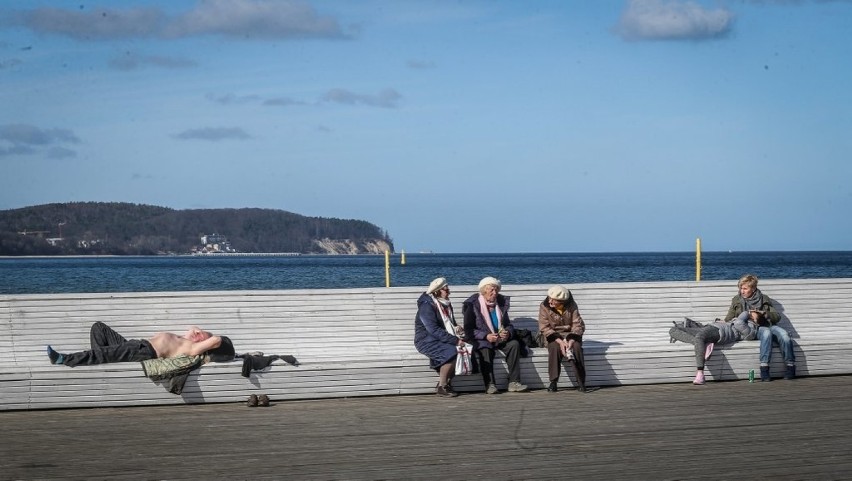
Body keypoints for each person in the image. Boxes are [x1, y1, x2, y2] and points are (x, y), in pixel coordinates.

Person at [47, 321, 223, 367]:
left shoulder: (191, 348)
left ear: (204, 343)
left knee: (104, 353)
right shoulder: (186, 340)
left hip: (145, 352)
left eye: (201, 335)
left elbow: (218, 340)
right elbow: (192, 328)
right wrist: (198, 330)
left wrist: (207, 337)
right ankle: (103, 359)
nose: (197, 333)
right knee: (98, 328)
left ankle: (64, 359)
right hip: (137, 345)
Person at [463, 276, 529, 394]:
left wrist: (508, 332)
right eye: (492, 290)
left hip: (499, 338)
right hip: (483, 339)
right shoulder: (472, 305)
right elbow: (468, 330)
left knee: (514, 344)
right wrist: (485, 336)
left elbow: (508, 325)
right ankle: (490, 384)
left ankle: (514, 382)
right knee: (485, 349)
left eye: (496, 290)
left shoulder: (500, 304)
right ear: (483, 291)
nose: (495, 293)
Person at [724, 274, 795, 381]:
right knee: (766, 333)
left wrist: (764, 314)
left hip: (767, 324)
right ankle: (764, 369)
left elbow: (776, 317)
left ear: (753, 289)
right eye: (740, 288)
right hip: (752, 329)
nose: (741, 291)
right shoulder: (736, 300)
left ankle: (790, 367)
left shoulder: (764, 298)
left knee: (785, 335)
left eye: (745, 288)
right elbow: (728, 318)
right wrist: (745, 316)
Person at [414, 277, 468, 397]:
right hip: (425, 340)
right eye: (446, 289)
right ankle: (442, 386)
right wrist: (455, 340)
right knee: (453, 351)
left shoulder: (445, 304)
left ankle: (445, 383)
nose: (448, 292)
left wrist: (457, 327)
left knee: (465, 350)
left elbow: (450, 322)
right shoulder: (427, 306)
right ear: (437, 291)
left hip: (440, 338)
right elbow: (433, 329)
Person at [669, 317, 758, 385]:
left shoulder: (751, 327)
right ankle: (703, 343)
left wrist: (749, 314)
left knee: (699, 337)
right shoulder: (737, 320)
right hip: (709, 327)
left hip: (719, 331)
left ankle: (700, 374)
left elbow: (741, 321)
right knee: (673, 330)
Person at [538, 285, 587, 392]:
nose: (550, 301)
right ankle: (553, 381)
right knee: (554, 348)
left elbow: (577, 324)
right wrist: (560, 342)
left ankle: (581, 381)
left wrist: (571, 339)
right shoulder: (544, 306)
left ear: (562, 301)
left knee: (577, 347)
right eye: (549, 298)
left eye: (554, 300)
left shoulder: (572, 305)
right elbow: (544, 327)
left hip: (570, 334)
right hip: (552, 335)